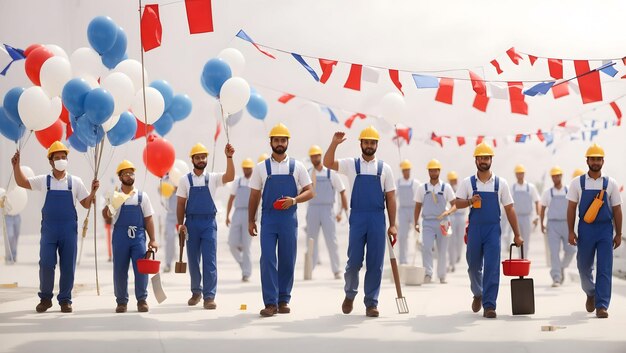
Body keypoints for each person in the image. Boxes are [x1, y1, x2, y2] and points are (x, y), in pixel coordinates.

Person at [11, 141, 99, 313]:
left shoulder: (75, 182)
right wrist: (16, 166)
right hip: (49, 230)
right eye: (57, 157)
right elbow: (22, 182)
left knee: (67, 265)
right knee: (46, 263)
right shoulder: (44, 181)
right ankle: (45, 299)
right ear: (50, 161)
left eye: (63, 157)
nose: (61, 160)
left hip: (68, 230)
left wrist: (93, 192)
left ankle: (65, 300)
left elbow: (86, 204)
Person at [323, 126, 397, 318]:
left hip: (377, 218)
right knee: (354, 261)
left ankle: (371, 303)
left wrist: (393, 224)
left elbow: (391, 198)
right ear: (361, 144)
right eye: (366, 142)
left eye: (373, 143)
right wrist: (334, 144)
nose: (369, 146)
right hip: (358, 218)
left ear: (376, 145)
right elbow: (328, 162)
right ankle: (350, 294)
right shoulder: (350, 164)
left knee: (375, 263)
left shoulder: (384, 169)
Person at [248, 123, 313, 317]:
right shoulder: (261, 168)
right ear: (270, 142)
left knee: (287, 259)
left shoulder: (297, 166)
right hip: (268, 219)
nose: (279, 143)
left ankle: (283, 299)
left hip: (288, 219)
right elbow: (254, 196)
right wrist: (251, 220)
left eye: (282, 140)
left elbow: (310, 191)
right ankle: (270, 303)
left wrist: (294, 200)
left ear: (287, 142)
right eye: (276, 140)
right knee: (267, 259)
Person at [454, 142, 522, 319]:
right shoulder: (467, 183)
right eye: (480, 158)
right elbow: (456, 203)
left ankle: (490, 305)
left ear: (491, 159)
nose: (483, 161)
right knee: (473, 266)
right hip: (475, 229)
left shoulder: (501, 184)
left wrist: (517, 233)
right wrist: (469, 201)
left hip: (493, 230)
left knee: (492, 268)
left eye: (486, 157)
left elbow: (510, 209)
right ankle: (478, 293)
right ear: (475, 160)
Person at [566, 143, 622, 319]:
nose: (595, 162)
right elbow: (571, 208)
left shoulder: (611, 183)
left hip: (605, 229)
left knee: (604, 268)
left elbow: (617, 210)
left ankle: (602, 305)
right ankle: (591, 292)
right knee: (583, 268)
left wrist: (618, 233)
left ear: (603, 161)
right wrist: (570, 231)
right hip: (586, 229)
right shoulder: (577, 183)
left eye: (598, 159)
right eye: (593, 159)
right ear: (587, 160)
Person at [177, 142, 235, 310]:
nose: (201, 159)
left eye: (203, 157)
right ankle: (196, 292)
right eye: (198, 157)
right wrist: (180, 224)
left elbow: (230, 177)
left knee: (209, 260)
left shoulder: (213, 178)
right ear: (192, 160)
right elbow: (180, 204)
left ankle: (209, 296)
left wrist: (229, 157)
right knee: (193, 260)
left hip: (209, 223)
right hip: (191, 223)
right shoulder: (185, 180)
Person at [103, 160, 158, 313]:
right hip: (120, 236)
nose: (129, 176)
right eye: (125, 173)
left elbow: (148, 218)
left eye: (131, 173)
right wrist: (110, 206)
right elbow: (106, 216)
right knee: (120, 269)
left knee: (141, 268)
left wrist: (152, 239)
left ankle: (142, 300)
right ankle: (121, 302)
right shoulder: (114, 195)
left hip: (138, 236)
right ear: (120, 177)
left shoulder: (142, 196)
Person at [306, 145, 348, 279]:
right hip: (312, 209)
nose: (315, 158)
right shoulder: (307, 173)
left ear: (320, 156)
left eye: (317, 155)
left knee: (331, 240)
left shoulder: (330, 173)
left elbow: (342, 191)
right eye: (312, 156)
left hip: (327, 210)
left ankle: (336, 270)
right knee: (311, 240)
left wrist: (341, 211)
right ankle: (309, 269)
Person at [413, 159, 456, 284]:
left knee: (442, 249)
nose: (433, 172)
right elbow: (417, 206)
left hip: (444, 222)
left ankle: (442, 275)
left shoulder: (446, 187)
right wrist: (416, 222)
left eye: (435, 170)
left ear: (439, 171)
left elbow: (454, 204)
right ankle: (428, 273)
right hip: (428, 222)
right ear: (428, 172)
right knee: (426, 247)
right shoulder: (422, 188)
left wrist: (448, 212)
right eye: (431, 170)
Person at [539, 166, 576, 287]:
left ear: (561, 176)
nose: (555, 178)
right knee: (554, 252)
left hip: (567, 223)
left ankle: (561, 267)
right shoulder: (547, 193)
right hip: (552, 225)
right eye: (553, 176)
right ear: (551, 177)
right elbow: (543, 208)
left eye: (557, 175)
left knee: (571, 250)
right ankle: (556, 278)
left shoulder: (569, 190)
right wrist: (542, 224)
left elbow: (574, 207)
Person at [225, 158, 255, 282]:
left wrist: (255, 218)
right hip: (237, 213)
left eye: (248, 168)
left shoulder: (255, 182)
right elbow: (231, 199)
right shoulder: (237, 182)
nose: (246, 170)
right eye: (245, 168)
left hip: (250, 214)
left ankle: (246, 273)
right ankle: (244, 265)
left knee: (246, 246)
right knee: (232, 244)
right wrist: (227, 215)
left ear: (252, 168)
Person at [510, 164, 540, 256]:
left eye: (521, 173)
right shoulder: (512, 188)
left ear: (524, 174)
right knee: (518, 238)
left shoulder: (530, 187)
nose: (520, 175)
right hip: (516, 217)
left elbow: (537, 201)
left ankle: (524, 259)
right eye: (518, 173)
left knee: (526, 240)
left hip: (527, 218)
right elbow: (509, 204)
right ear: (515, 174)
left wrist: (537, 216)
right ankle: (520, 258)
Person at [396, 159, 420, 265]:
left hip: (413, 209)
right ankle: (403, 260)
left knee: (418, 234)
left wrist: (418, 217)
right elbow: (393, 197)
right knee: (402, 236)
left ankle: (418, 258)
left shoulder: (415, 183)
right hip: (403, 210)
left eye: (408, 170)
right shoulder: (397, 183)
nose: (406, 172)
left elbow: (419, 199)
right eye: (404, 170)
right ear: (402, 171)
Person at [447, 171, 467, 272]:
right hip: (451, 216)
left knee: (460, 239)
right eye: (451, 180)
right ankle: (452, 262)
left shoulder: (461, 189)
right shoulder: (447, 189)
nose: (453, 182)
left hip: (461, 216)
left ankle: (458, 255)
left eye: (454, 180)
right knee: (451, 240)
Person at [158, 176, 177, 272]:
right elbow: (160, 191)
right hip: (170, 216)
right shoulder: (166, 179)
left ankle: (193, 263)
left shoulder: (183, 178)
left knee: (189, 239)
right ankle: (168, 263)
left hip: (183, 215)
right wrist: (166, 188)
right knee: (170, 237)